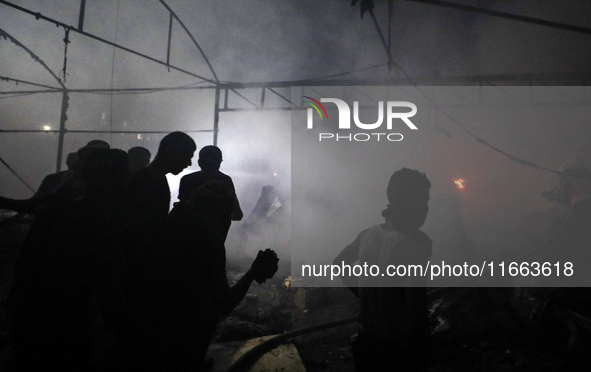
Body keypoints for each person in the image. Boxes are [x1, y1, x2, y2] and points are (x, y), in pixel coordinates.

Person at [8, 149, 129, 371]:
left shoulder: (61, 207)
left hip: (42, 310)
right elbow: (106, 280)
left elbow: (27, 260)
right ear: (115, 178)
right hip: (69, 314)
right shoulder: (97, 219)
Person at [167, 180, 278, 371]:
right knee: (204, 314)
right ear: (219, 215)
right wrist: (254, 271)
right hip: (179, 322)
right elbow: (224, 303)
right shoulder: (208, 243)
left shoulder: (174, 219)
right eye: (227, 218)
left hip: (151, 317)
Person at [334, 168, 432, 372]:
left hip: (365, 345)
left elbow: (339, 264)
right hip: (395, 355)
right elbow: (417, 316)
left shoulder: (367, 235)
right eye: (424, 200)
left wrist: (368, 296)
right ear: (413, 201)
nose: (426, 208)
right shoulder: (412, 247)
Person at [178, 145, 243, 240]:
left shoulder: (187, 180)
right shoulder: (225, 180)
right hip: (215, 246)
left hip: (189, 243)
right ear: (220, 162)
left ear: (199, 162)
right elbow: (237, 214)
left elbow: (181, 212)